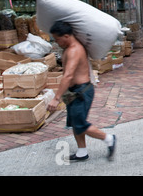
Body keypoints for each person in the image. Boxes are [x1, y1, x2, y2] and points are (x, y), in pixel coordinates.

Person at [47, 21, 116, 162]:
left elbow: (68, 75)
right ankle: (81, 152)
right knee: (74, 122)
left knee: (80, 124)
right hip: (73, 91)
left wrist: (56, 98)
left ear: (66, 36)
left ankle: (109, 139)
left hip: (81, 91)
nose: (56, 42)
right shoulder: (69, 47)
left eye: (57, 39)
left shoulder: (74, 50)